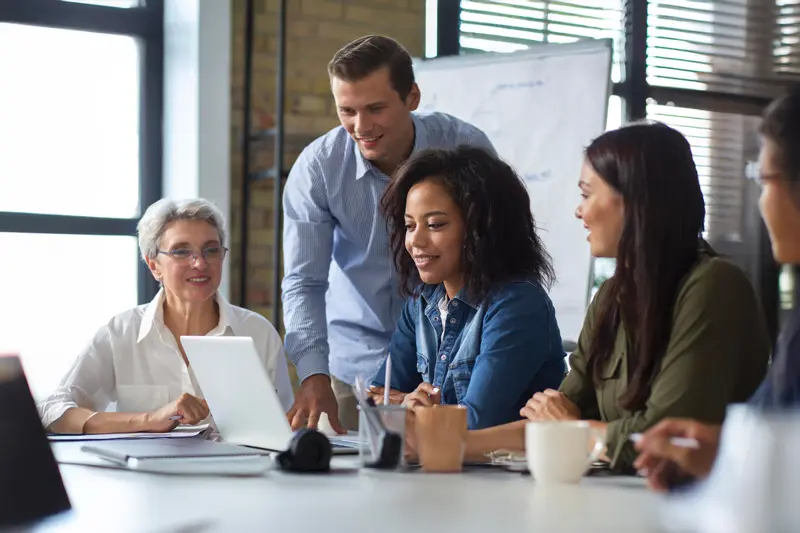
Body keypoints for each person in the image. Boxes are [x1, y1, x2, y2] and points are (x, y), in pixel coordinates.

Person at [425, 122, 771, 471]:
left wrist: (573, 428)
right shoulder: (611, 296)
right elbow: (556, 419)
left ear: (636, 200)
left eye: (587, 194)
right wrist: (437, 445)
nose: (580, 211)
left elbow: (663, 442)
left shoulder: (713, 286)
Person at [282, 35, 495, 432]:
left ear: (412, 97)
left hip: (458, 363)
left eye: (375, 109)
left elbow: (498, 255)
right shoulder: (319, 168)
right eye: (347, 111)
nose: (361, 127)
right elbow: (303, 282)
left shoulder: (465, 148)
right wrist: (314, 374)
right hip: (358, 370)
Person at [634, 88, 800, 491]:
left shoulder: (714, 283)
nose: (578, 211)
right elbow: (777, 429)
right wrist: (719, 449)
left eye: (763, 180)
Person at [39, 198, 294, 434]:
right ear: (154, 266)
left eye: (211, 250)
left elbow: (283, 429)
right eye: (181, 251)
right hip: (144, 480)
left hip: (242, 480)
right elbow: (53, 411)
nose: (200, 263)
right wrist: (150, 419)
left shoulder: (259, 334)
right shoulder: (120, 332)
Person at [367, 147, 566, 429]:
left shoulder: (517, 303)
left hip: (502, 471)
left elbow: (476, 422)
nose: (416, 241)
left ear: (482, 228)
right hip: (439, 468)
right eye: (410, 226)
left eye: (435, 224)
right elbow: (376, 400)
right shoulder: (420, 304)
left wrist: (410, 409)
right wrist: (406, 403)